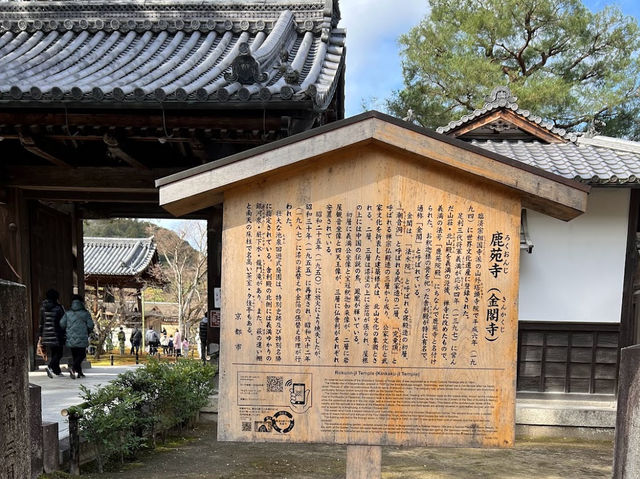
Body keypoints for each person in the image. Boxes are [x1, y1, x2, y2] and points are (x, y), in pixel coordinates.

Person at [60, 294, 94, 379]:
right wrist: (87, 330)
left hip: (70, 337)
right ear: (81, 303)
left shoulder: (68, 313)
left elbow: (62, 324)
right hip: (82, 337)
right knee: (82, 355)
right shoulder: (85, 313)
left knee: (75, 355)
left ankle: (80, 372)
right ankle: (73, 368)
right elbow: (91, 325)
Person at [39, 289, 65, 378]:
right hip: (57, 333)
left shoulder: (43, 308)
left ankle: (57, 371)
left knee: (54, 352)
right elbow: (63, 321)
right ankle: (50, 367)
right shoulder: (59, 308)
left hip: (46, 333)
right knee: (59, 353)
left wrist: (40, 335)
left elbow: (41, 322)